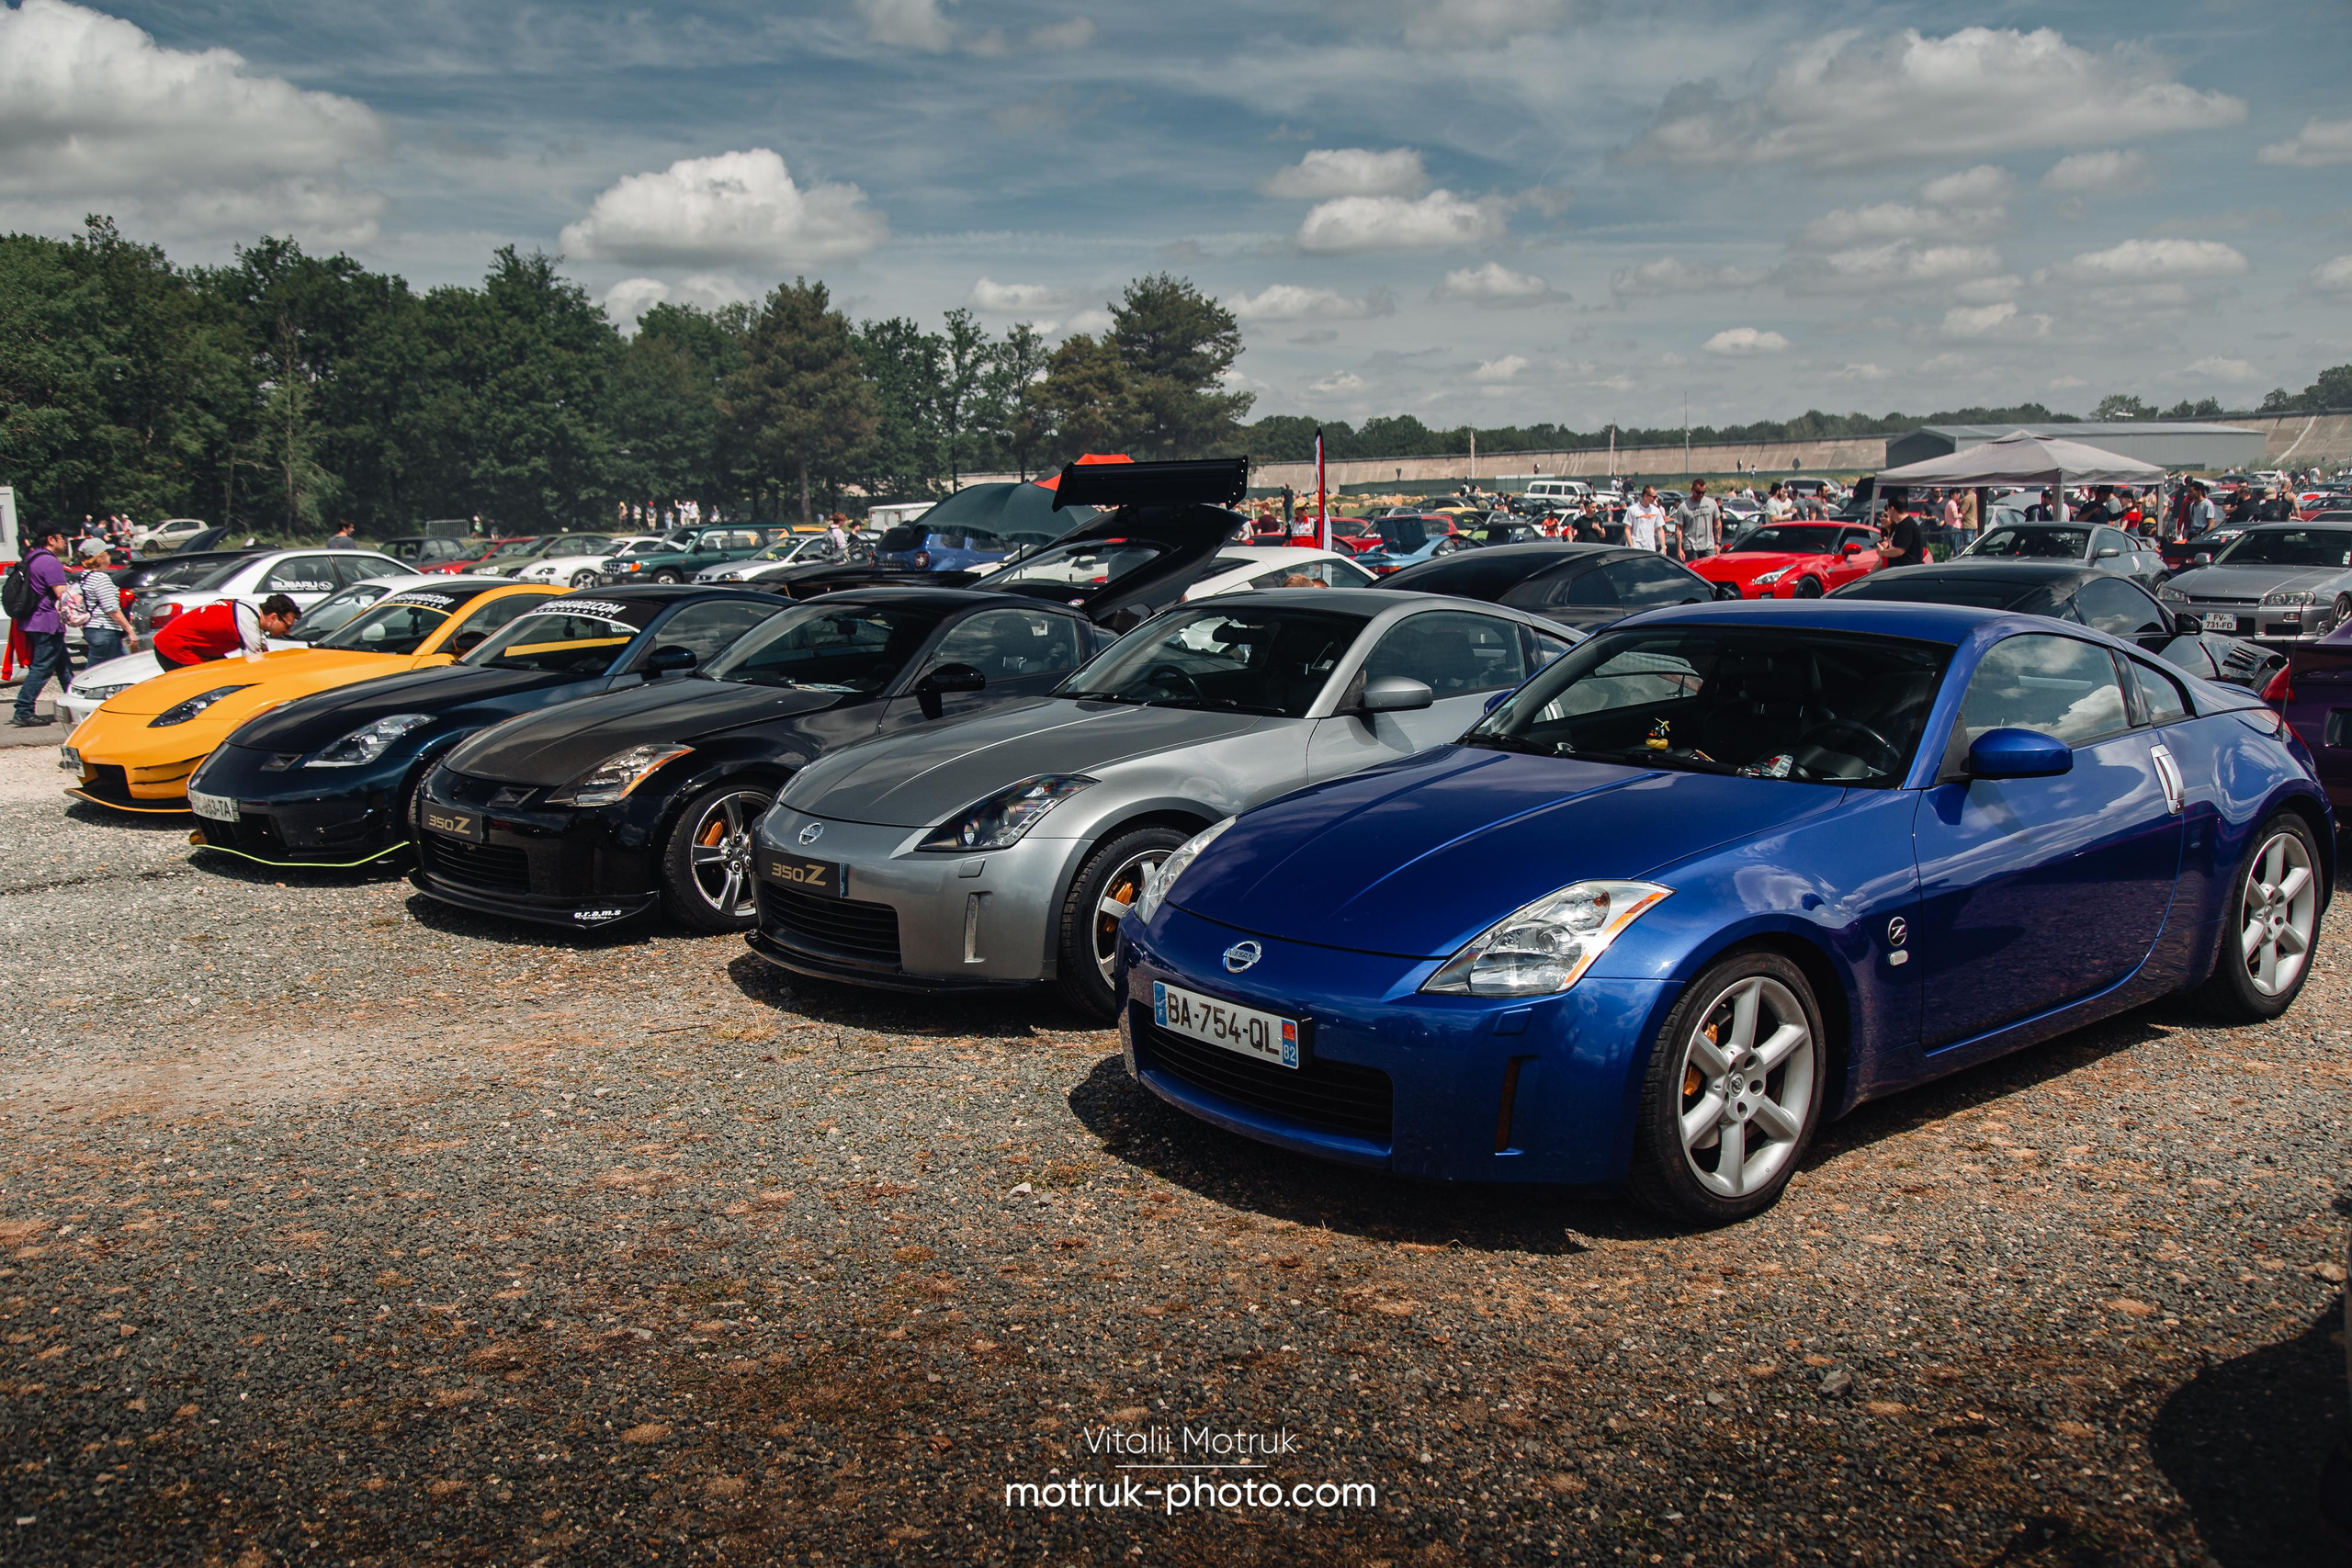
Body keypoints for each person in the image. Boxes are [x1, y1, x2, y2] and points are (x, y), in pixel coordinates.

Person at [9, 523, 74, 727]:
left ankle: (75, 704)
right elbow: (62, 594)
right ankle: (24, 709)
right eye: (63, 538)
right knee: (42, 667)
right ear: (51, 539)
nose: (66, 542)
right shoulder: (50, 562)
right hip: (47, 622)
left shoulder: (32, 557)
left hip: (34, 621)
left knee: (64, 667)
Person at [153, 593, 300, 668]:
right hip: (174, 647)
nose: (287, 632)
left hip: (195, 648)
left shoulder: (250, 611)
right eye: (287, 626)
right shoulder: (247, 621)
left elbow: (265, 655)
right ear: (273, 617)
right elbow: (257, 667)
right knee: (206, 690)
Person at [71, 537, 134, 663]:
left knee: (121, 669)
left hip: (93, 629)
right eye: (108, 553)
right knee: (94, 675)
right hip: (104, 630)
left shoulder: (85, 577)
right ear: (101, 557)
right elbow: (112, 610)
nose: (110, 556)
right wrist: (130, 630)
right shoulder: (101, 578)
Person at [1672, 479, 1720, 562]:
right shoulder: (1684, 507)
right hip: (1691, 547)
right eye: (1698, 492)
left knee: (1709, 572)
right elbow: (1678, 529)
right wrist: (1679, 549)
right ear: (1692, 490)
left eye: (1703, 492)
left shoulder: (1712, 503)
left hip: (1708, 546)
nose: (1700, 495)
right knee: (1694, 572)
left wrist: (1718, 543)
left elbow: (1717, 524)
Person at [1883, 502, 1928, 570]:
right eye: (1881, 515)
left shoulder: (1903, 528)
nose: (1882, 518)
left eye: (1886, 516)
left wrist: (1882, 552)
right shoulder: (1884, 535)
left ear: (1892, 510)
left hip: (1904, 571)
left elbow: (1899, 550)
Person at [1624, 486, 1667, 551]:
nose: (1656, 499)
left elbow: (1660, 529)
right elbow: (1627, 529)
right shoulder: (1632, 510)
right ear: (1645, 496)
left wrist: (1663, 546)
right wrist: (1631, 546)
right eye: (1654, 497)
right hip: (1636, 547)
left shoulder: (1656, 510)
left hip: (1650, 548)